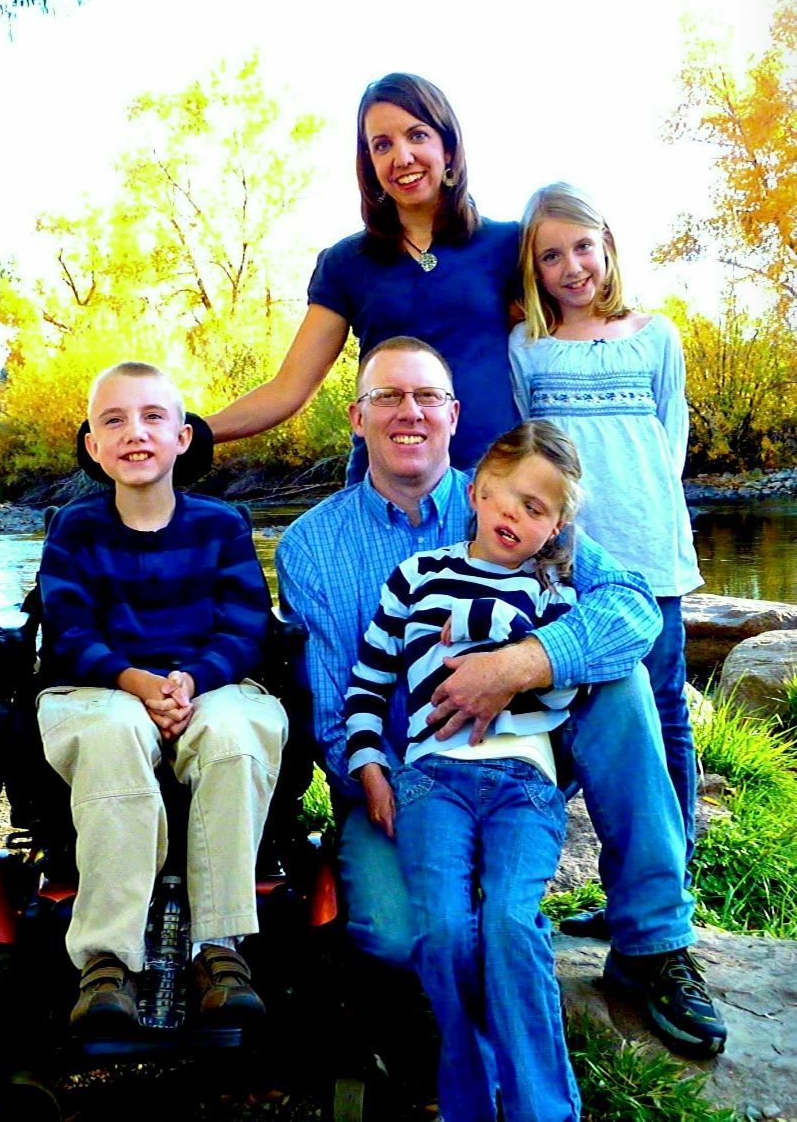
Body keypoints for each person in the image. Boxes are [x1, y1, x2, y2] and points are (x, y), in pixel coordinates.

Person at [276, 336, 727, 1058]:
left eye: (426, 396)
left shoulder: (515, 497)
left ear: (454, 415)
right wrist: (381, 781)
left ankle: (651, 943)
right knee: (398, 934)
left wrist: (524, 661)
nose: (409, 412)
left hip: (526, 756)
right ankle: (469, 940)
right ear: (357, 419)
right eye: (387, 396)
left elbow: (633, 606)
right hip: (409, 778)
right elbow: (335, 711)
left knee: (621, 679)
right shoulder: (310, 545)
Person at [36, 361, 288, 1032]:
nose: (135, 432)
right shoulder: (74, 528)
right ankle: (107, 962)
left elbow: (245, 625)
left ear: (183, 435)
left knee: (237, 730)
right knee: (116, 729)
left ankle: (219, 947)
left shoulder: (222, 525)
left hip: (207, 682)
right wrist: (134, 680)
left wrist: (192, 678)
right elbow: (68, 629)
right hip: (99, 688)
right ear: (93, 445)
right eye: (113, 420)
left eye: (153, 417)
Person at [344, 421, 584, 1122]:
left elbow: (558, 690)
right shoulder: (417, 576)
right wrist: (369, 763)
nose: (516, 515)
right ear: (475, 492)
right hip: (431, 780)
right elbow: (368, 683)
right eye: (507, 498)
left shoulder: (551, 596)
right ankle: (472, 1104)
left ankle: (544, 1109)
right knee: (445, 930)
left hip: (523, 782)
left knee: (510, 920)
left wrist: (483, 626)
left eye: (537, 509)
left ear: (555, 527)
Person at [510, 183, 703, 940]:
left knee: (661, 715)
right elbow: (529, 450)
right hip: (569, 568)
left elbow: (671, 440)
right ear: (533, 266)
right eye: (550, 254)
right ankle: (540, 874)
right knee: (573, 716)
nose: (571, 266)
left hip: (651, 562)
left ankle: (660, 883)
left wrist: (647, 514)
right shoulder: (526, 346)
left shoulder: (655, 336)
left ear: (608, 245)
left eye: (582, 246)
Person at [205, 72, 522, 483]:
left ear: (449, 146)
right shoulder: (346, 263)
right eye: (382, 145)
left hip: (496, 492)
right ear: (369, 165)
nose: (402, 157)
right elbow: (288, 390)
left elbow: (568, 340)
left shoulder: (509, 244)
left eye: (418, 135)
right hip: (384, 492)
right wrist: (185, 433)